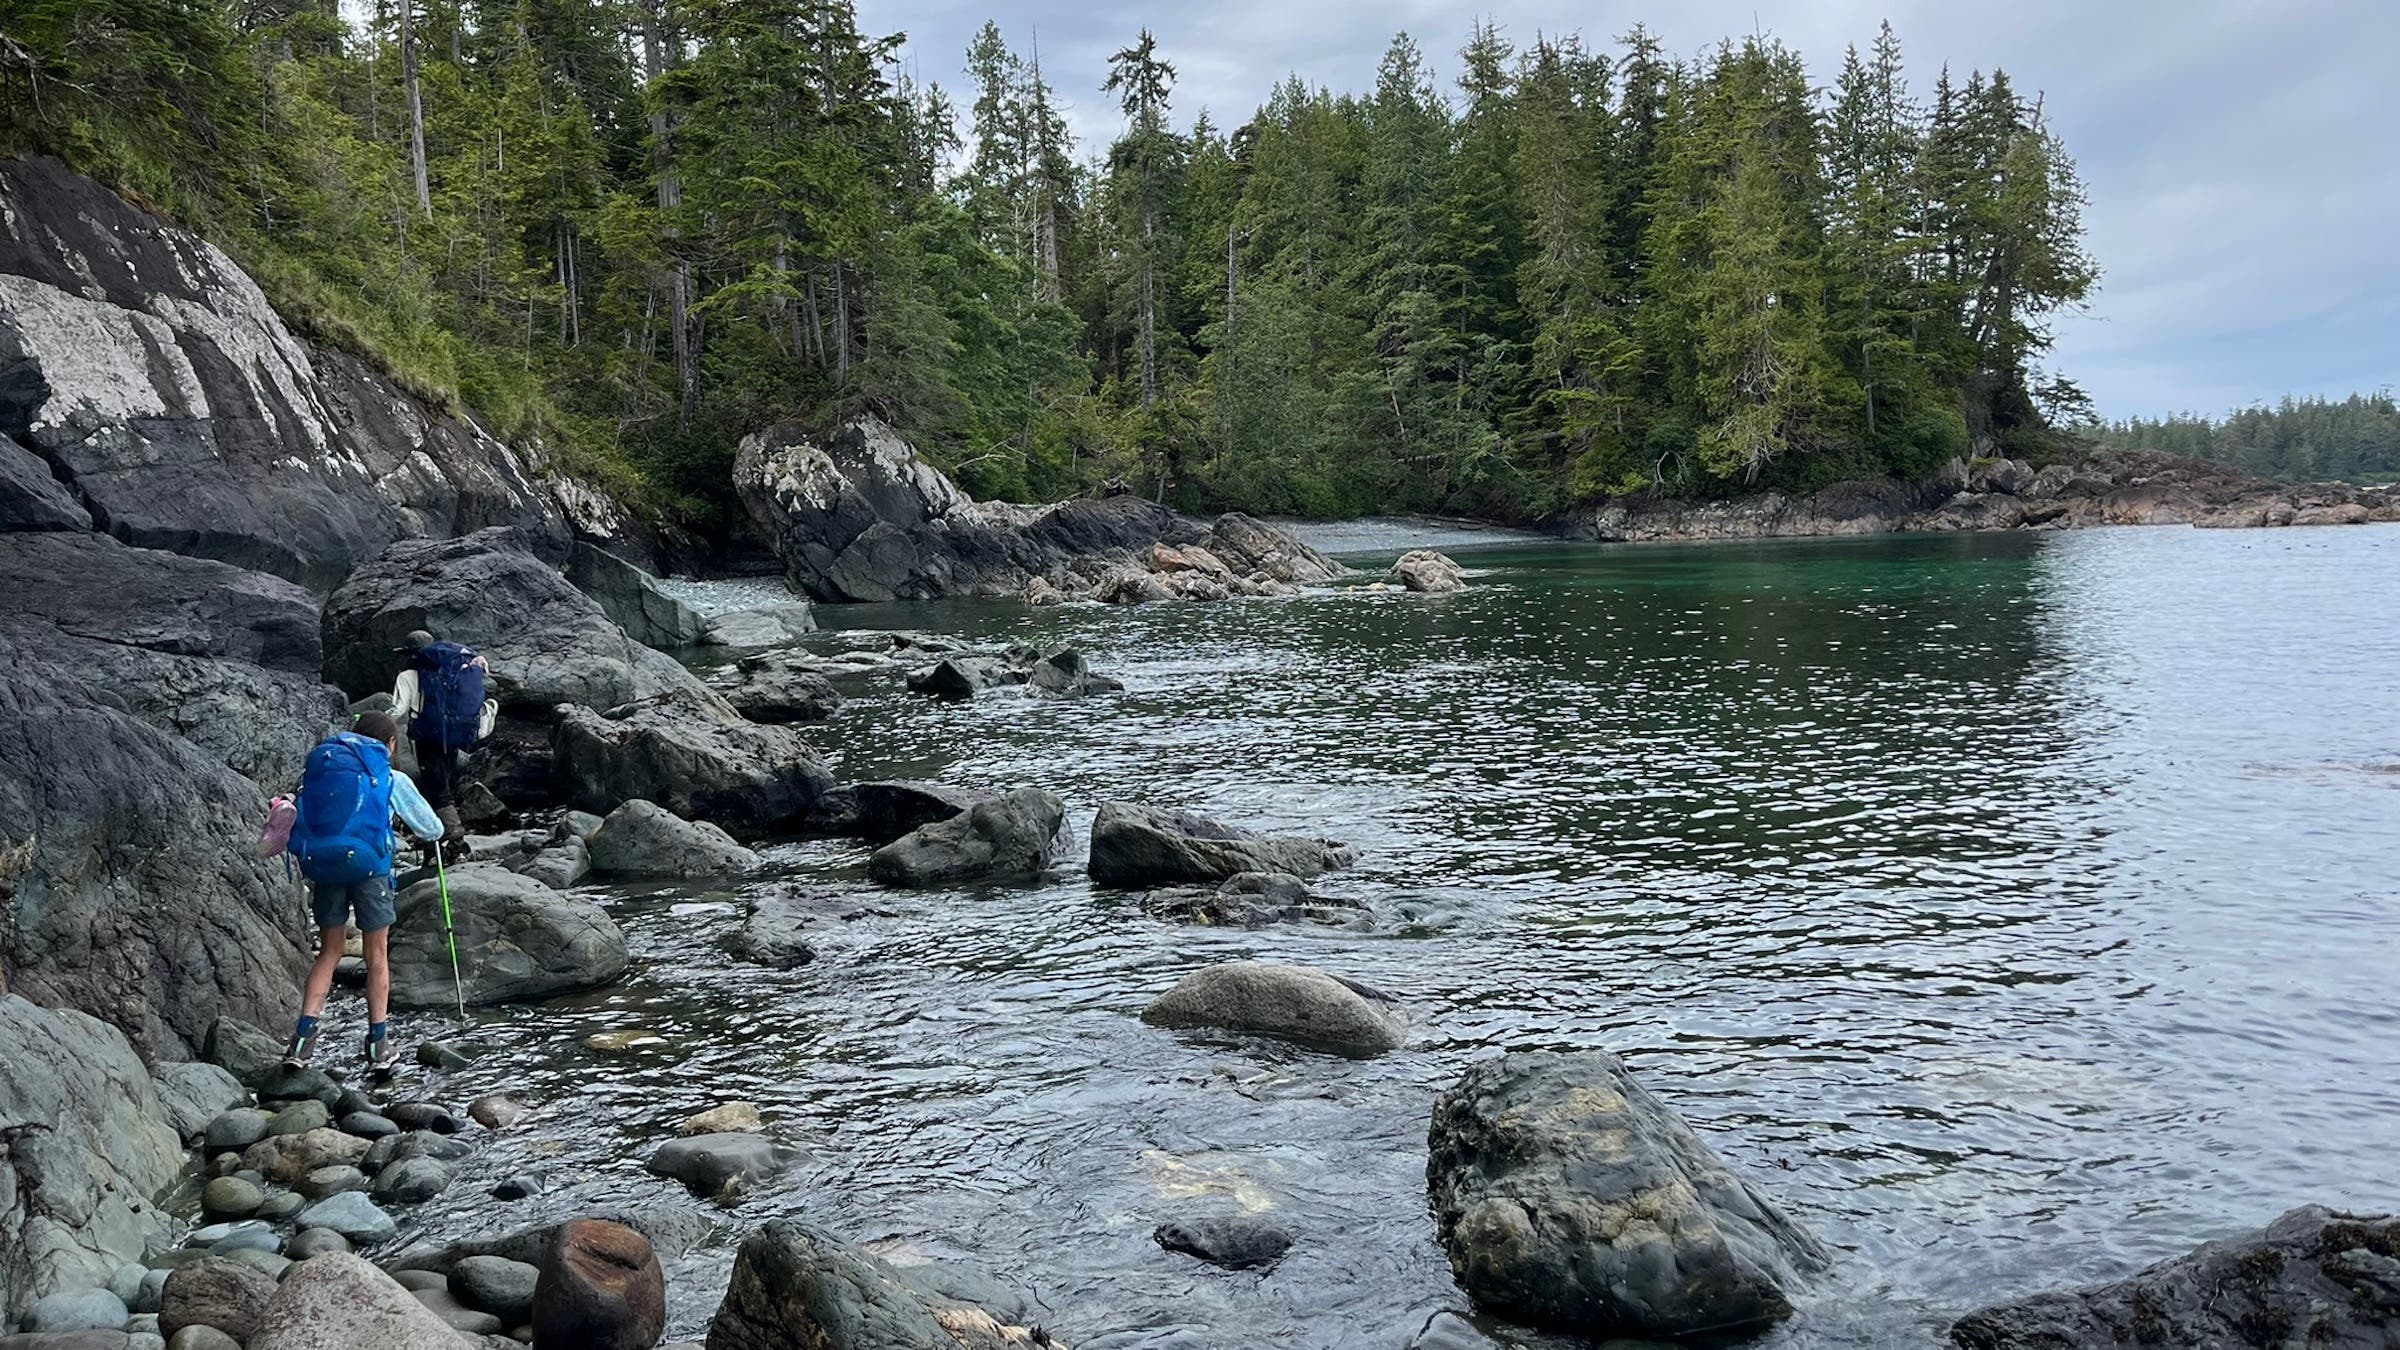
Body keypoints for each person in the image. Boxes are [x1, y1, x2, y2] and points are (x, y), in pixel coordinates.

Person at [282, 710, 445, 1072]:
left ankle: (301, 1044)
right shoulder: (388, 775)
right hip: (371, 870)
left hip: (325, 866)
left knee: (330, 952)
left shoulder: (325, 769)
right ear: (389, 744)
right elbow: (431, 828)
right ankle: (378, 1047)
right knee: (376, 956)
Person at [387, 629, 497, 849]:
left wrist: (373, 721)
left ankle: (451, 834)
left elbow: (398, 710)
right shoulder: (451, 670)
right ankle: (439, 835)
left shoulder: (408, 676)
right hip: (453, 733)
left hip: (428, 736)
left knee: (435, 786)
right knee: (443, 780)